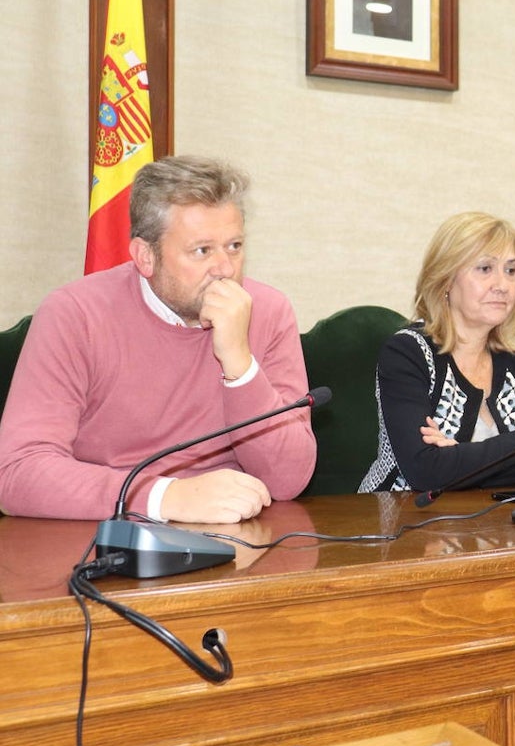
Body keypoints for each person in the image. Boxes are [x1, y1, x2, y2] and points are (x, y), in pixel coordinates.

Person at [0, 156, 316, 523]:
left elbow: (288, 479)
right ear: (145, 257)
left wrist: (240, 365)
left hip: (234, 539)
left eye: (234, 246)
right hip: (104, 537)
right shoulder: (75, 314)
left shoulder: (268, 311)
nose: (225, 269)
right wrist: (167, 497)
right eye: (202, 250)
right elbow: (17, 472)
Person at [359, 212, 515, 494]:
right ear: (445, 279)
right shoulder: (409, 353)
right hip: (401, 521)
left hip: (497, 525)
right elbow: (424, 472)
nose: (502, 285)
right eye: (484, 269)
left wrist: (461, 460)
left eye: (511, 270)